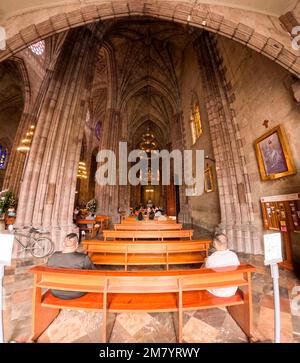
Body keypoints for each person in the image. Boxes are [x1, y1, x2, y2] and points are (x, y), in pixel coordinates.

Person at [47, 233, 96, 299]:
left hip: (56, 291)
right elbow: (93, 274)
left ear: (63, 244)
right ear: (76, 245)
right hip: (77, 292)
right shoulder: (83, 258)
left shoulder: (53, 256)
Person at [204, 233, 240, 298]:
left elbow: (206, 273)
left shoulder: (211, 259)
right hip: (232, 290)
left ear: (215, 243)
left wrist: (205, 262)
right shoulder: (233, 255)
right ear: (226, 243)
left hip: (217, 291)